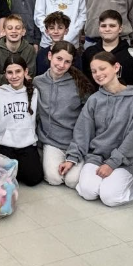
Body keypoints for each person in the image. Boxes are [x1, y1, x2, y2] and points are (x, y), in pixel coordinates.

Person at [61, 51, 133, 206]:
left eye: (102, 68)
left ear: (116, 67)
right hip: (97, 157)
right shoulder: (94, 100)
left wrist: (112, 164)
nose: (98, 74)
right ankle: (110, 183)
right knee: (88, 192)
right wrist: (72, 158)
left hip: (125, 160)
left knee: (110, 198)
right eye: (94, 71)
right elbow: (82, 132)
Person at [35, 41, 95, 188]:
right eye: (59, 59)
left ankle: (80, 160)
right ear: (50, 56)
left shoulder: (79, 84)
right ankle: (45, 155)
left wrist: (76, 151)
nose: (61, 65)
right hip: (51, 142)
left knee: (72, 181)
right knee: (54, 179)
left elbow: (88, 120)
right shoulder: (38, 82)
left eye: (67, 62)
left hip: (75, 141)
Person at [0, 54, 43, 186]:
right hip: (4, 144)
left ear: (25, 72)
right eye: (10, 72)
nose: (14, 76)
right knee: (2, 180)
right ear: (5, 75)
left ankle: (17, 168)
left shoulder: (35, 92)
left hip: (26, 144)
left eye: (18, 71)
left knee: (34, 179)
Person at [81, 10, 133, 87]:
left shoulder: (132, 54)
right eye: (103, 26)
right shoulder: (89, 52)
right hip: (96, 97)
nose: (107, 29)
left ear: (120, 29)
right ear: (99, 29)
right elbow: (84, 80)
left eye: (112, 26)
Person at [0, 14, 37, 85]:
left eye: (17, 28)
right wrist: (15, 78)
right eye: (10, 28)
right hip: (1, 90)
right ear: (4, 31)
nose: (14, 31)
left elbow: (30, 75)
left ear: (23, 31)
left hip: (23, 89)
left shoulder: (30, 50)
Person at [35, 11, 82, 76]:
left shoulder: (74, 53)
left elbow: (79, 76)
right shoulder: (41, 54)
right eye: (52, 28)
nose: (56, 31)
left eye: (60, 28)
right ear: (47, 31)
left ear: (66, 31)